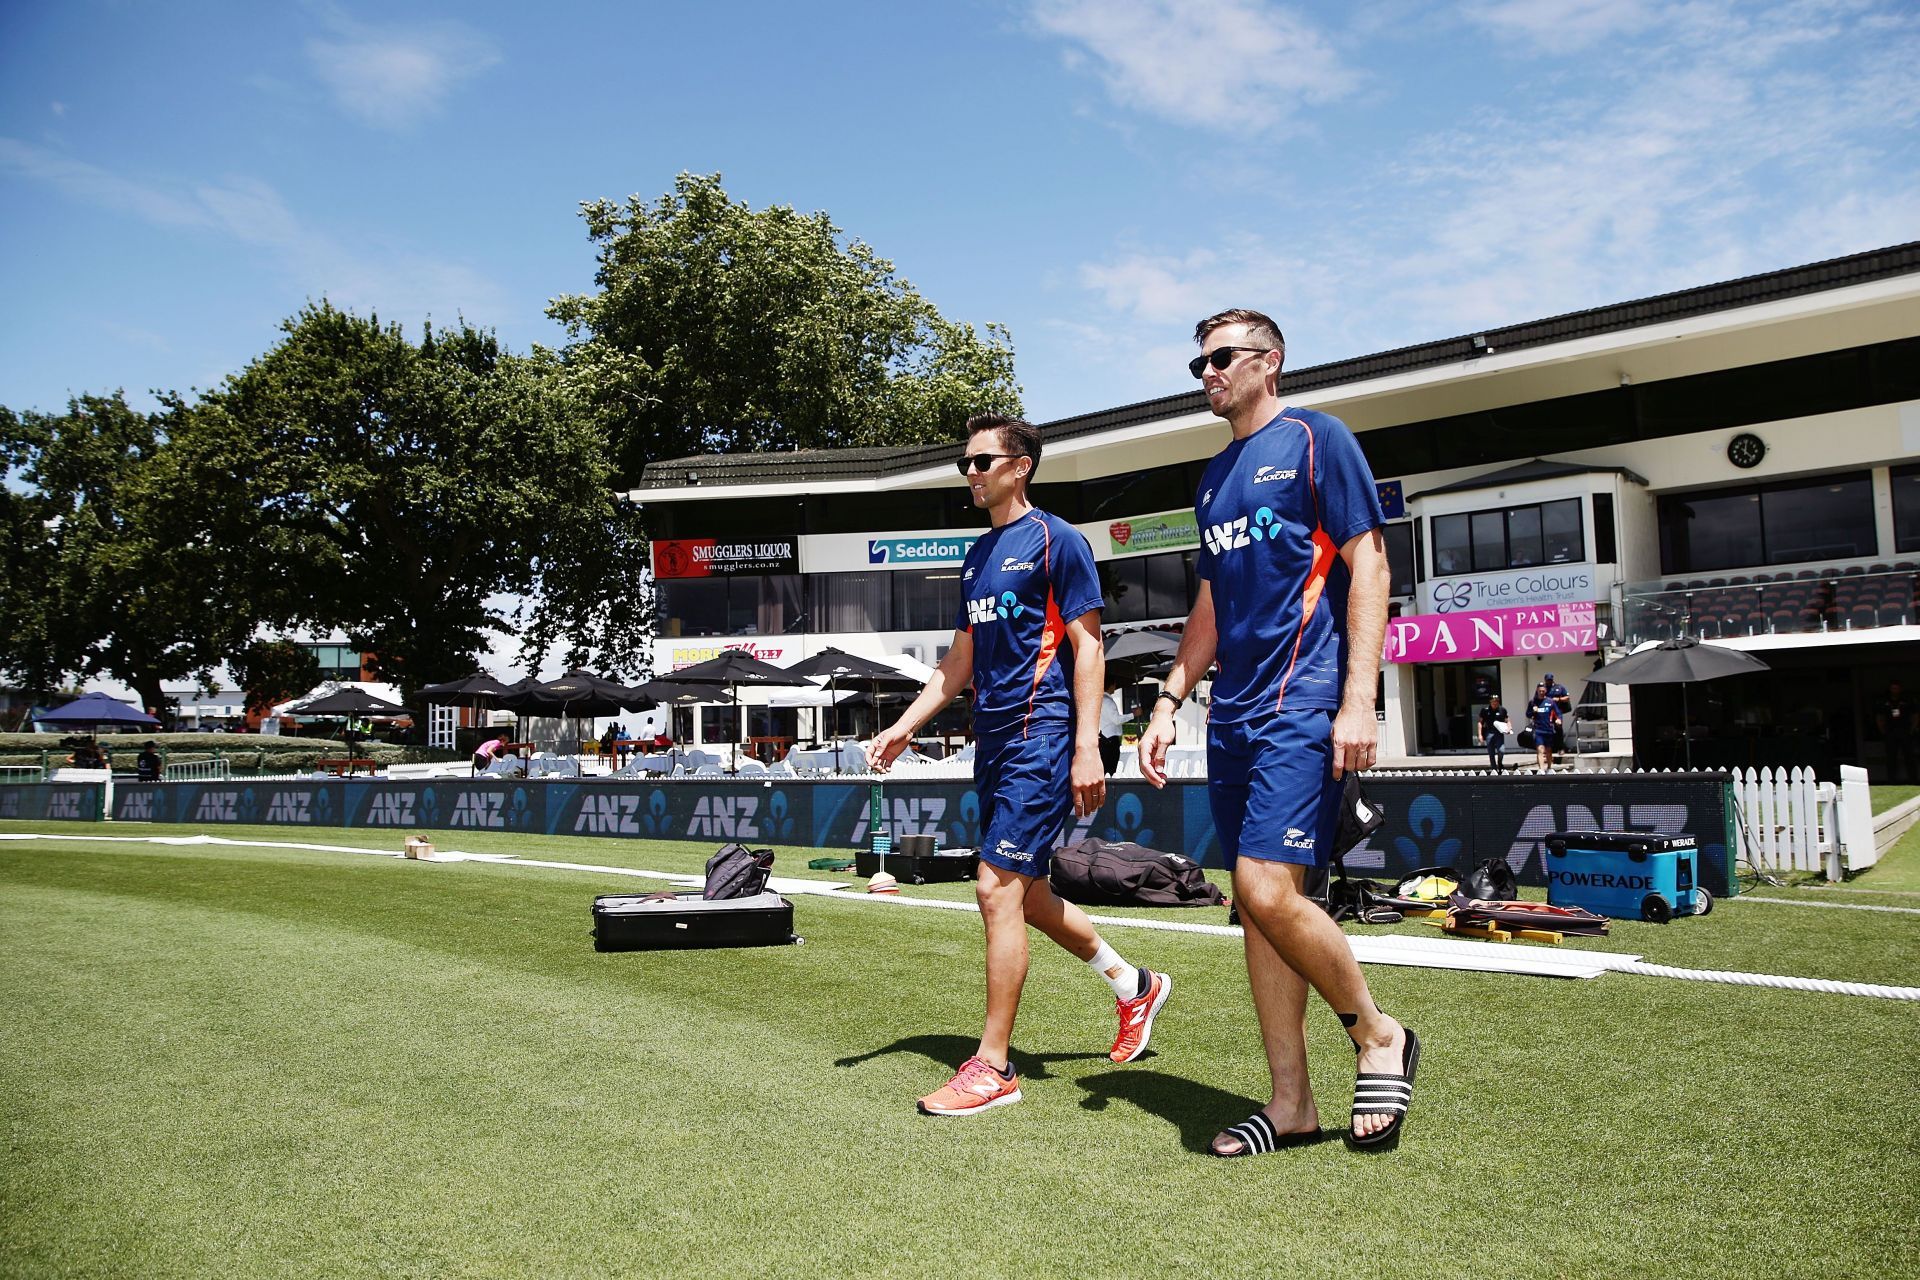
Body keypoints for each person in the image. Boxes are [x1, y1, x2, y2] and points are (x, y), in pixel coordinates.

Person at [1139, 308, 1416, 1156]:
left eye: (1222, 358)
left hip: (1306, 697)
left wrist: (1359, 701)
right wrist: (1170, 695)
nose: (1208, 374)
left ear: (1271, 361)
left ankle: (1377, 1033)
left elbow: (1369, 561)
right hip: (1235, 713)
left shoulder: (1317, 438)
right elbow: (1213, 603)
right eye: (1200, 363)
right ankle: (1291, 1102)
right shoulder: (1215, 476)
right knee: (1258, 912)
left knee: (1265, 889)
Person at [869, 413, 1173, 1117]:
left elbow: (1089, 648)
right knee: (1026, 895)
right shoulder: (978, 556)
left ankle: (993, 1067)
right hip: (996, 743)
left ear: (1020, 466)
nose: (969, 475)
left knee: (994, 890)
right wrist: (902, 728)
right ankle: (1135, 985)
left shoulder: (1058, 541)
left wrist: (1084, 747)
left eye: (980, 462)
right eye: (965, 464)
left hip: (1044, 737)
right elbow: (959, 663)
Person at [1877, 680, 1915, 783]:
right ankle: (1891, 781)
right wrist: (1883, 731)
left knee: (1909, 756)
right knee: (1891, 757)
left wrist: (1912, 729)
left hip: (1905, 731)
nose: (1895, 690)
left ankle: (1913, 779)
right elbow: (1880, 717)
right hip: (1890, 732)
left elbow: (1914, 715)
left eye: (1897, 688)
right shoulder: (1885, 702)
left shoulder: (1906, 701)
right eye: (1893, 688)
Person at [1525, 682, 1561, 771]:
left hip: (1548, 729)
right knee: (1540, 749)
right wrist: (1533, 711)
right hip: (1538, 730)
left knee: (1548, 750)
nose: (1541, 692)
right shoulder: (1533, 702)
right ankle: (1541, 769)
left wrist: (1559, 720)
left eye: (1543, 691)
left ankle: (1549, 768)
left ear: (1545, 691)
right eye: (1540, 691)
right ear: (1537, 690)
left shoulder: (1550, 701)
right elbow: (1528, 714)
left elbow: (1558, 713)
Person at [1542, 671, 1572, 761]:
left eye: (1550, 680)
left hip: (1557, 711)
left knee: (1558, 728)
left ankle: (1561, 748)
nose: (1549, 682)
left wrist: (1558, 699)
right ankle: (1547, 748)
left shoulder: (1559, 687)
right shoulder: (1543, 688)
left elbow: (1567, 697)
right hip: (1547, 712)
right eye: (1547, 680)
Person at [1099, 675, 1126, 775]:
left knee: (1105, 767)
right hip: (1110, 739)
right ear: (1111, 685)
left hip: (1104, 737)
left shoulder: (1101, 700)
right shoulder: (1108, 701)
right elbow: (1116, 720)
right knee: (1111, 768)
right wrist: (1133, 715)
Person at [1479, 695, 1511, 772]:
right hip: (1489, 732)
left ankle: (1500, 762)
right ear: (1490, 702)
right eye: (1493, 701)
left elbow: (1507, 720)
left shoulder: (1502, 710)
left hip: (1499, 733)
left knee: (1501, 750)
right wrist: (1480, 734)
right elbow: (1480, 722)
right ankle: (1494, 769)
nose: (1495, 703)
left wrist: (1509, 728)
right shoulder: (1485, 710)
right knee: (1491, 752)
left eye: (1496, 701)